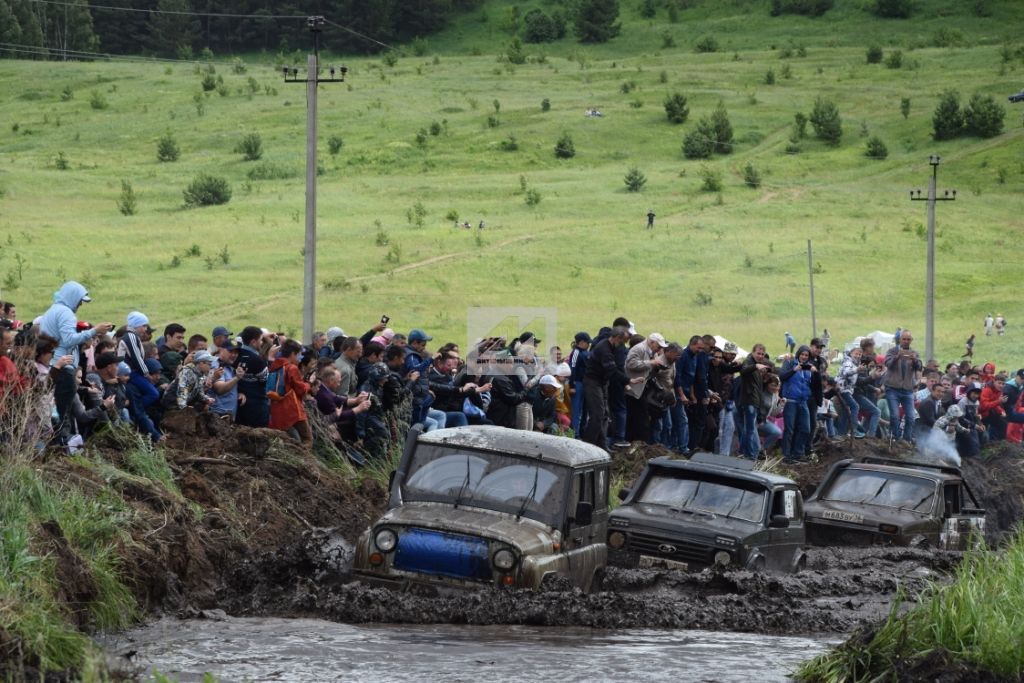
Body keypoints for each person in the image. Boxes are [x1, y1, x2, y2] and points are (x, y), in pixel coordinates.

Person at [38, 281, 115, 442]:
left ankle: (61, 440)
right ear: (72, 297)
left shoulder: (52, 310)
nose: (80, 304)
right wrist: (95, 331)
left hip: (53, 364)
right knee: (64, 409)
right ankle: (63, 441)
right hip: (63, 366)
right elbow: (69, 340)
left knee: (57, 408)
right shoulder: (66, 313)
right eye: (80, 300)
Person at [582, 326, 631, 450]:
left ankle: (602, 445)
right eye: (621, 342)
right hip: (593, 382)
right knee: (597, 414)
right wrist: (628, 380)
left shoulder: (611, 347)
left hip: (602, 382)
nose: (621, 345)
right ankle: (587, 445)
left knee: (604, 415)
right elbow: (612, 370)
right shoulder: (604, 349)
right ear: (616, 338)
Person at [268, 340, 313, 448]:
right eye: (299, 354)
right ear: (293, 354)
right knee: (307, 439)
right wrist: (309, 384)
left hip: (276, 408)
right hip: (293, 408)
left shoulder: (274, 365)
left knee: (285, 440)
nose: (300, 357)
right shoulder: (291, 368)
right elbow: (301, 389)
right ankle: (303, 461)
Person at [624, 333, 668, 442]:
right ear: (652, 342)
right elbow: (630, 364)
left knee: (640, 417)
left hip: (641, 388)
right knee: (638, 418)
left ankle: (637, 442)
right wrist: (651, 362)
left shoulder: (650, 350)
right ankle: (637, 442)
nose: (659, 349)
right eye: (658, 346)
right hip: (633, 389)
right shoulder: (639, 349)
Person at [884, 329, 923, 443]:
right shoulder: (892, 351)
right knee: (895, 416)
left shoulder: (914, 352)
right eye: (904, 339)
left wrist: (915, 360)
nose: (906, 341)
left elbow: (919, 366)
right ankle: (894, 438)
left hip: (907, 389)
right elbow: (887, 364)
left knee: (911, 417)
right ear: (900, 339)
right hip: (892, 388)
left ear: (911, 340)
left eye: (908, 339)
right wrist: (897, 357)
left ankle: (906, 441)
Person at [737, 343, 775, 459]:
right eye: (758, 353)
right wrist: (756, 366)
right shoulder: (749, 362)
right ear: (753, 352)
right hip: (749, 400)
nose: (760, 356)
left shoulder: (757, 365)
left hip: (754, 401)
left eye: (762, 354)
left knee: (747, 429)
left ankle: (743, 452)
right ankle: (749, 455)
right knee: (749, 429)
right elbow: (742, 371)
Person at [779, 345, 814, 463]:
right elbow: (782, 376)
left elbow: (813, 384)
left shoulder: (809, 368)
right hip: (790, 401)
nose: (804, 357)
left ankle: (797, 453)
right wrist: (794, 370)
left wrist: (816, 373)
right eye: (802, 354)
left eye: (806, 355)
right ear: (798, 354)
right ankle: (786, 456)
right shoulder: (789, 363)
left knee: (805, 428)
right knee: (789, 429)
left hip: (803, 401)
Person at [235, 326, 270, 428]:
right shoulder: (257, 360)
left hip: (240, 404)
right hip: (257, 407)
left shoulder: (236, 355)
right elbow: (266, 381)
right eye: (260, 340)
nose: (262, 343)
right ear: (254, 342)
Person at [567, 332, 591, 437]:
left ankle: (581, 432)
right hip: (577, 384)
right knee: (576, 411)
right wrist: (572, 385)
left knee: (583, 411)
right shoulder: (576, 352)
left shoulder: (584, 352)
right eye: (587, 343)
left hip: (584, 384)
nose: (589, 345)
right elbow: (572, 368)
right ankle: (575, 434)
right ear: (581, 342)